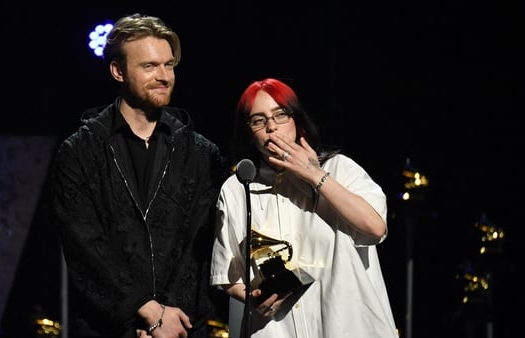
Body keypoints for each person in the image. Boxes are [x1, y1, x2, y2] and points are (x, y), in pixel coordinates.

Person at [51, 13, 227, 338]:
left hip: (180, 329)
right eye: (149, 66)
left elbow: (200, 250)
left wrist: (166, 321)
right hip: (107, 329)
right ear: (118, 71)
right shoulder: (80, 152)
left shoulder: (201, 154)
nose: (164, 76)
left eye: (169, 65)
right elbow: (85, 248)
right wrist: (145, 311)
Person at [210, 78, 398, 337]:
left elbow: (375, 228)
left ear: (297, 120)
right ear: (248, 132)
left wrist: (314, 175)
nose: (272, 127)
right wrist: (254, 298)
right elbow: (228, 276)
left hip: (346, 326)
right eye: (258, 120)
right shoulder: (237, 188)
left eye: (280, 115)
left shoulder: (339, 169)